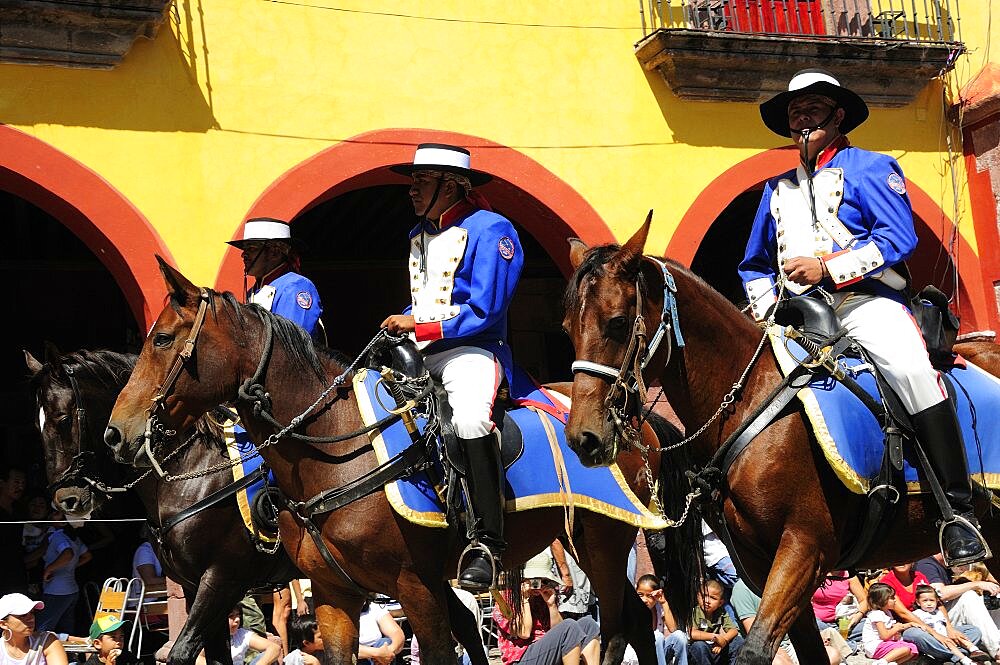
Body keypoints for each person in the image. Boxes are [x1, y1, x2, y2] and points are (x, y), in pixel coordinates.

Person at [739, 68, 987, 566]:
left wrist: (827, 268)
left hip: (866, 305)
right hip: (795, 318)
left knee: (913, 373)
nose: (800, 120)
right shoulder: (775, 191)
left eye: (811, 110)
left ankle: (959, 515)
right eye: (794, 113)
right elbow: (754, 265)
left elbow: (898, 238)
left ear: (838, 116)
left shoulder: (873, 167)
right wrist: (770, 309)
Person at [385, 143, 524, 590]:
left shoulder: (493, 229)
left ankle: (487, 540)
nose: (411, 191)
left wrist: (417, 324)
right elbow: (428, 300)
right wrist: (402, 320)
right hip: (422, 348)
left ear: (451, 185)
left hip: (473, 350)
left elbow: (485, 308)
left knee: (468, 419)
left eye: (420, 183)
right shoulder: (419, 233)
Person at [492, 550, 600, 665]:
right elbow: (524, 633)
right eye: (534, 580)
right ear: (523, 579)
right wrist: (524, 600)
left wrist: (551, 605)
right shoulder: (506, 598)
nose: (537, 585)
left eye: (543, 580)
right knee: (569, 626)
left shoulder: (544, 597)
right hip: (521, 657)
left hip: (546, 650)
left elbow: (560, 632)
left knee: (589, 624)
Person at [227, 217, 324, 344]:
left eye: (251, 248)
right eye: (244, 249)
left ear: (275, 252)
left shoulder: (295, 287)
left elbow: (292, 347)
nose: (243, 255)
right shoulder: (254, 291)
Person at [915, 554, 1000, 660]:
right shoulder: (926, 564)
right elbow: (941, 593)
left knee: (994, 600)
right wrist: (976, 584)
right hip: (933, 621)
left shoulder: (946, 567)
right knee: (969, 596)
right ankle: (997, 649)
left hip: (946, 618)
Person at [36, 513, 89, 634]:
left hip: (56, 590)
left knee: (42, 630)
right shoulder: (73, 537)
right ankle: (69, 653)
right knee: (66, 630)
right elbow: (87, 556)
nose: (50, 516)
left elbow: (68, 553)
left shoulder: (57, 536)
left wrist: (49, 569)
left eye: (55, 514)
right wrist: (71, 566)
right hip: (71, 589)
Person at [911, 584, 988, 664]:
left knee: (963, 636)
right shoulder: (918, 614)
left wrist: (952, 632)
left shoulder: (938, 612)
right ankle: (966, 660)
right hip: (934, 639)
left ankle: (974, 650)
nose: (929, 603)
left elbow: (946, 624)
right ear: (918, 602)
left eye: (932, 600)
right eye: (925, 601)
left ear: (937, 601)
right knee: (949, 644)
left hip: (945, 634)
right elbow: (915, 624)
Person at [622, 574, 687, 665]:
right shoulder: (631, 609)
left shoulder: (659, 608)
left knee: (680, 636)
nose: (644, 600)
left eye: (650, 596)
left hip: (658, 656)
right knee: (657, 636)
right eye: (640, 595)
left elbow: (673, 629)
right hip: (636, 656)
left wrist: (664, 603)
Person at [0, 593, 67, 665]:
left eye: (32, 613)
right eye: (23, 615)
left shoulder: (47, 640)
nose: (31, 619)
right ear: (3, 624)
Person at [196, 607, 279, 665]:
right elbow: (198, 658)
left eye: (238, 615)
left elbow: (274, 648)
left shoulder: (241, 634)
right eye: (231, 616)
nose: (237, 619)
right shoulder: (210, 636)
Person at [859, 583, 918, 664]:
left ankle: (893, 663)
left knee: (913, 650)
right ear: (882, 600)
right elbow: (884, 636)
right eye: (892, 598)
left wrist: (910, 624)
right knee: (905, 649)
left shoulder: (887, 613)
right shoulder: (877, 614)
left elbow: (894, 627)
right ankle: (882, 662)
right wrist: (896, 628)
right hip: (875, 646)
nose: (895, 600)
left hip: (884, 644)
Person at [688, 580, 742, 665]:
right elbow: (692, 633)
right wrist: (714, 637)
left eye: (713, 598)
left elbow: (733, 630)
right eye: (704, 596)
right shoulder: (696, 611)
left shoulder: (721, 612)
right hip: (699, 653)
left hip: (716, 648)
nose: (707, 601)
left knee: (738, 641)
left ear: (720, 603)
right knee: (699, 646)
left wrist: (724, 641)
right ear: (698, 596)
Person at [0, 468, 28, 594]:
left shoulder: (20, 510)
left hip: (17, 575)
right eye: (16, 482)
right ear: (2, 483)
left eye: (23, 483)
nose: (20, 487)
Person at [357, 596, 404, 665]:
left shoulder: (373, 607)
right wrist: (377, 654)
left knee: (387, 642)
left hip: (378, 652)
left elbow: (397, 633)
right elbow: (345, 647)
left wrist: (388, 652)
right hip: (358, 655)